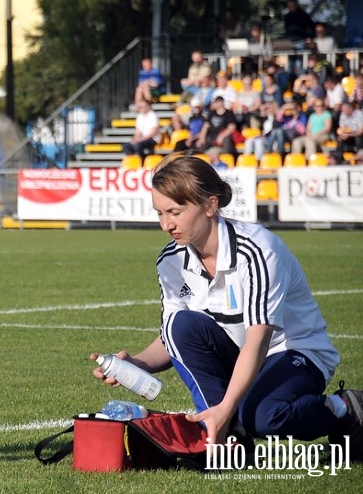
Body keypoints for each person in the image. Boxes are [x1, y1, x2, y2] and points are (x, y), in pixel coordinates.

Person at [89, 153, 362, 459]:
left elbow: (258, 342)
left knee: (261, 417)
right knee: (180, 324)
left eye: (175, 212)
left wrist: (229, 406)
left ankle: (343, 409)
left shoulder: (258, 251)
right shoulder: (171, 259)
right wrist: (137, 364)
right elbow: (174, 337)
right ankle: (227, 435)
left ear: (210, 205)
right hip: (241, 352)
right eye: (160, 213)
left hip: (294, 351)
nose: (166, 224)